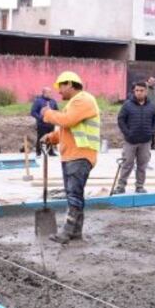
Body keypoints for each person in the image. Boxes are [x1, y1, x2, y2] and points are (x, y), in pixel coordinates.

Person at [41, 71, 101, 243]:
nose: (59, 92)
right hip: (73, 154)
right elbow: (67, 129)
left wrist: (48, 113)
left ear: (69, 84)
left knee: (74, 194)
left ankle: (67, 232)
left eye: (60, 86)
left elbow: (67, 120)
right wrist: (52, 138)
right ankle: (75, 232)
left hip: (81, 154)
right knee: (74, 194)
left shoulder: (84, 99)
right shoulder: (75, 102)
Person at [114, 82, 155, 194]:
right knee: (127, 164)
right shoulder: (127, 105)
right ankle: (121, 186)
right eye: (137, 90)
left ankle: (139, 186)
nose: (139, 92)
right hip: (130, 141)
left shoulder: (152, 106)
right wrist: (127, 133)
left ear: (146, 91)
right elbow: (121, 120)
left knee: (142, 165)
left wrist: (151, 133)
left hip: (145, 142)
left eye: (141, 90)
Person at [30, 86, 58, 157]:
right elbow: (33, 112)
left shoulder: (53, 101)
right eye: (50, 92)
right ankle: (38, 152)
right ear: (44, 93)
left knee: (51, 137)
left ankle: (50, 152)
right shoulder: (38, 101)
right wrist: (40, 118)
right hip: (42, 124)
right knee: (40, 138)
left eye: (51, 92)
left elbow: (56, 111)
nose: (51, 94)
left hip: (51, 124)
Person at [146, 75, 155, 150]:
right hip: (146, 110)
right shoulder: (144, 88)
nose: (153, 82)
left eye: (154, 81)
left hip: (154, 111)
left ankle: (153, 145)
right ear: (148, 81)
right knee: (146, 127)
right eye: (151, 81)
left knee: (154, 127)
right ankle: (146, 144)